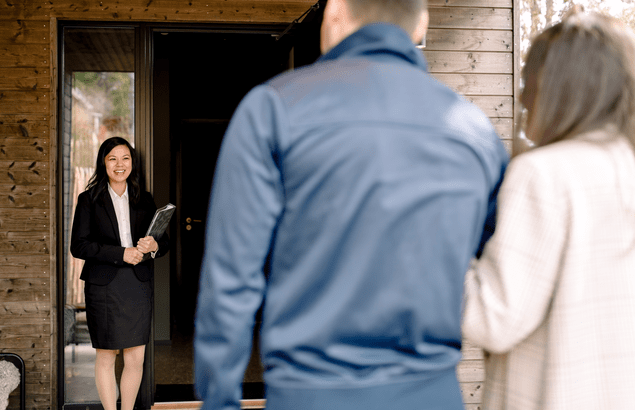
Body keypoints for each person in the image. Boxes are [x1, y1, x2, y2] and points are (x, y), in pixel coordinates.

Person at [193, 0, 508, 408]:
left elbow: (231, 280)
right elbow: (505, 275)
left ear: (336, 13)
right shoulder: (474, 131)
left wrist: (219, 401)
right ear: (422, 24)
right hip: (433, 395)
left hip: (310, 395)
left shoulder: (272, 110)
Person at [462, 11, 635, 410]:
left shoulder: (544, 174)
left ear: (559, 88)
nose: (523, 97)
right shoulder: (624, 166)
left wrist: (430, 244)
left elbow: (495, 318)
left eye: (529, 81)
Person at [70, 136, 169, 410]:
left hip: (137, 285)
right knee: (106, 355)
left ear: (132, 163)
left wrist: (154, 245)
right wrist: (120, 253)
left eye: (125, 158)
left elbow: (164, 241)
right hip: (104, 286)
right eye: (112, 158)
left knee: (136, 358)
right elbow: (78, 245)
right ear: (103, 163)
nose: (119, 164)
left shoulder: (144, 199)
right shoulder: (89, 199)